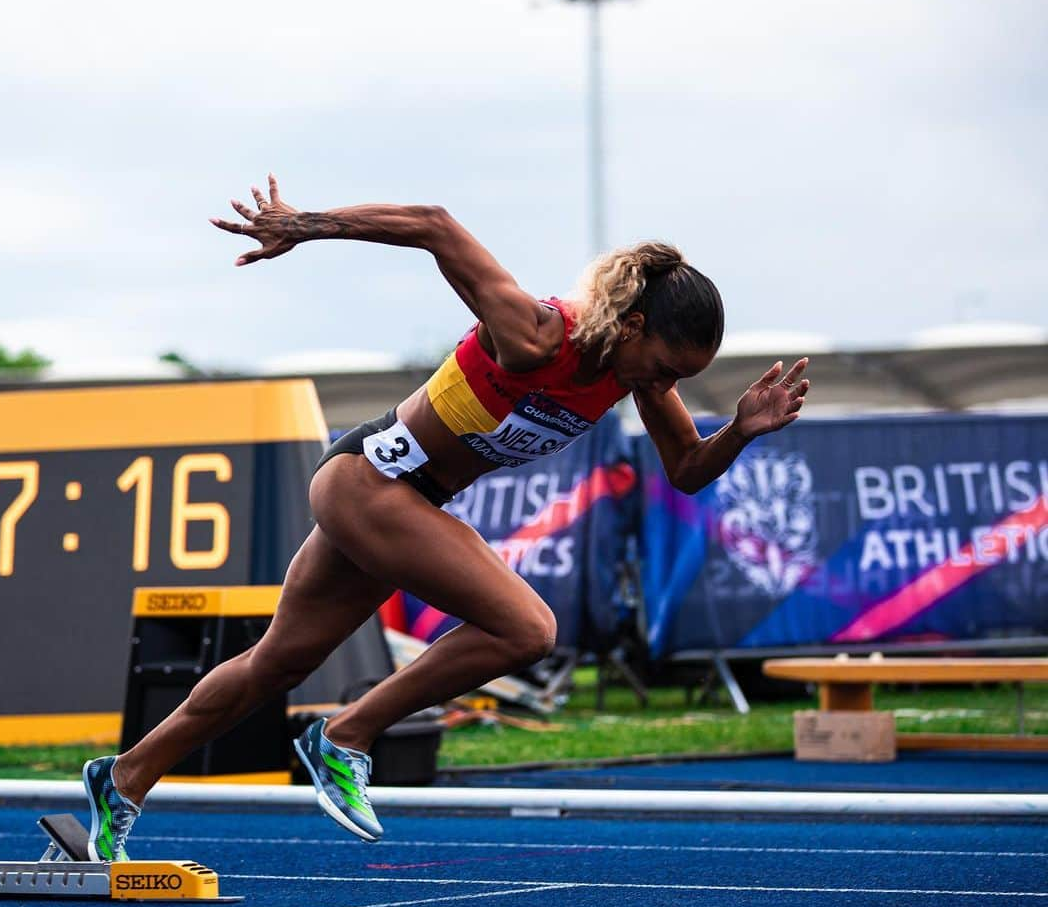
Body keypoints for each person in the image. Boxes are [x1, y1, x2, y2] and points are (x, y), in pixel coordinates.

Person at [81, 175, 810, 858]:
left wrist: (742, 430)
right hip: (371, 480)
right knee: (527, 630)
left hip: (398, 498)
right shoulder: (534, 332)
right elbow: (435, 225)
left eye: (684, 378)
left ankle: (123, 779)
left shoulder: (633, 381)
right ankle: (346, 737)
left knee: (278, 662)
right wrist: (304, 225)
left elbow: (686, 473)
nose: (669, 384)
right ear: (634, 323)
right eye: (668, 365)